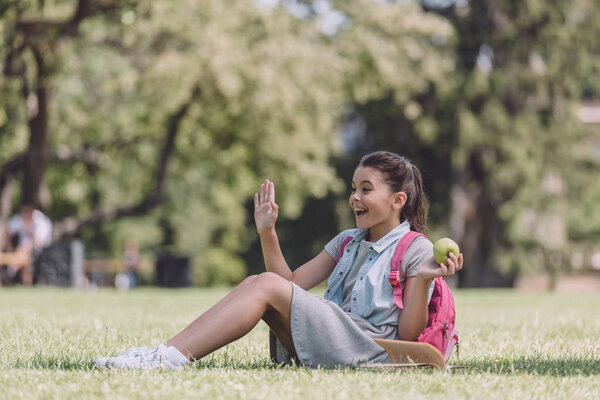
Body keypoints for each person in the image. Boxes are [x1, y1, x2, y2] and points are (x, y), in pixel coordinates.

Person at [94, 151, 463, 370]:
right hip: (334, 337)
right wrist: (268, 232)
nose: (355, 197)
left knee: (266, 285)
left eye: (366, 189)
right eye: (353, 188)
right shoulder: (348, 241)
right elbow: (290, 283)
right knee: (259, 282)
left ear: (398, 201)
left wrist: (427, 279)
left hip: (372, 348)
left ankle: (167, 359)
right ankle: (166, 353)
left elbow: (408, 337)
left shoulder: (415, 249)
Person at [1, 204, 53, 286]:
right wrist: (9, 247)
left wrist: (28, 232)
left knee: (26, 254)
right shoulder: (20, 218)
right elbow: (8, 233)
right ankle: (14, 272)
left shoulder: (41, 221)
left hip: (42, 249)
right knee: (23, 254)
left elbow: (39, 241)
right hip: (22, 250)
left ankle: (11, 271)